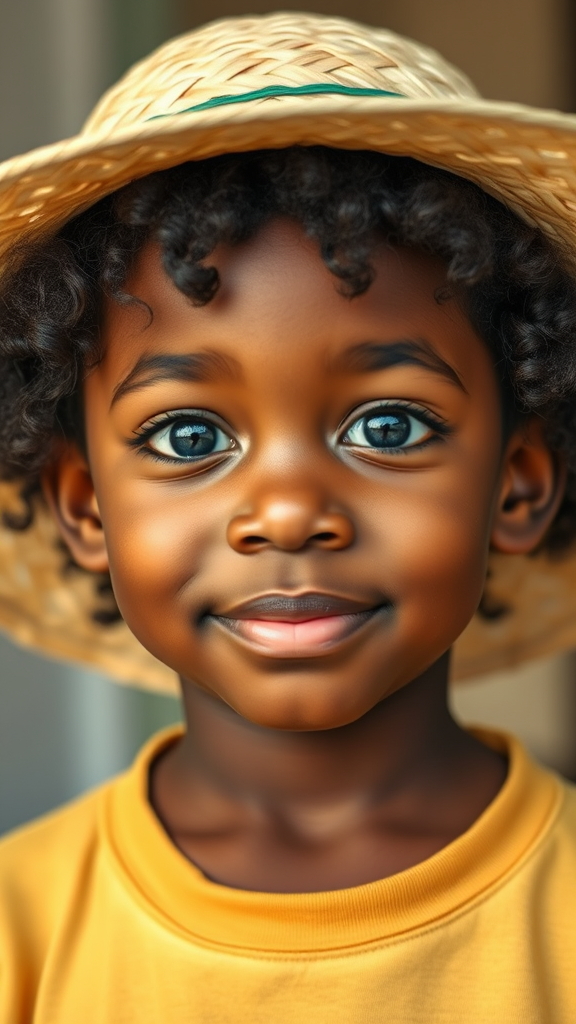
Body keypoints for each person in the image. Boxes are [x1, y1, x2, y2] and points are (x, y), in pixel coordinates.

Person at [0, 12, 575, 1022]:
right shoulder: (21, 930)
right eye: (187, 438)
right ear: (86, 505)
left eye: (388, 425)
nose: (289, 512)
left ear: (518, 482)